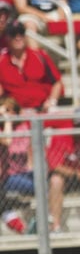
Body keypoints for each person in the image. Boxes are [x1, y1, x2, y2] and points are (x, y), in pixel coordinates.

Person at [0, 21, 64, 112]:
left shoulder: (40, 56)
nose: (18, 38)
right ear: (7, 38)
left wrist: (52, 101)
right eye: (13, 34)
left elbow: (57, 83)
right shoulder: (2, 61)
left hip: (42, 109)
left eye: (21, 33)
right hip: (15, 113)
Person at [0, 96, 33, 234]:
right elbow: (7, 140)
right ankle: (23, 228)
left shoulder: (22, 126)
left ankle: (22, 227)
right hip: (6, 178)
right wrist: (6, 118)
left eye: (9, 110)